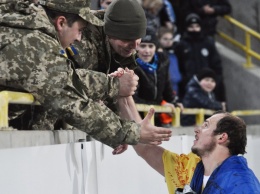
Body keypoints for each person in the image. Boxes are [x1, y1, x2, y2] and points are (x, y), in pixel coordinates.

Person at [0, 0, 172, 149]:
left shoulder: (26, 30)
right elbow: (69, 100)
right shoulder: (37, 45)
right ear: (61, 22)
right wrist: (130, 132)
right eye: (80, 30)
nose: (79, 38)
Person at [133, 111, 260, 193]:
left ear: (222, 137)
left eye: (206, 125)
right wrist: (124, 99)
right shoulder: (192, 169)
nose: (197, 130)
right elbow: (145, 149)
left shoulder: (242, 185)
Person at [133, 29, 182, 127]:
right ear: (136, 47)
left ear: (156, 48)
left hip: (156, 116)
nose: (147, 51)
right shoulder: (130, 65)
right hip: (136, 118)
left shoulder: (162, 62)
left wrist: (174, 103)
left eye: (151, 46)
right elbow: (133, 99)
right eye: (143, 46)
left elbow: (167, 88)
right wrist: (160, 104)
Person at [174, 13, 225, 101]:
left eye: (197, 26)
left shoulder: (208, 42)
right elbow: (178, 66)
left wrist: (214, 81)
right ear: (186, 27)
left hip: (208, 86)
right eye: (191, 26)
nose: (194, 29)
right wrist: (185, 80)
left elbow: (216, 65)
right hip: (188, 86)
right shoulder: (181, 45)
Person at [158, 27, 182, 96]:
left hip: (175, 87)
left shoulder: (173, 55)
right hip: (164, 88)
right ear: (159, 39)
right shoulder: (157, 55)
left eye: (171, 39)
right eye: (165, 39)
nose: (168, 41)